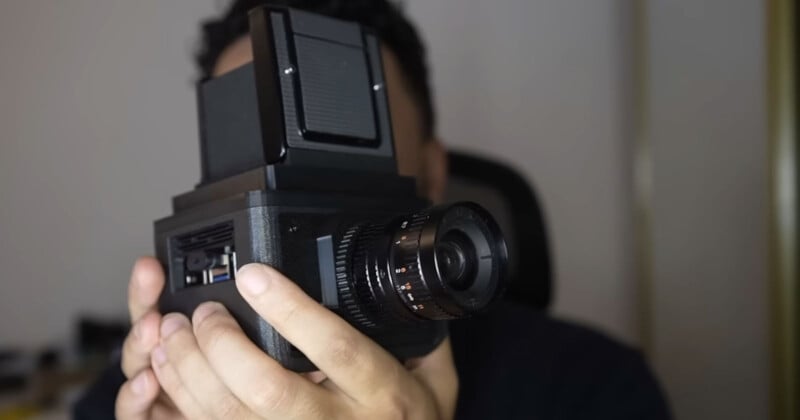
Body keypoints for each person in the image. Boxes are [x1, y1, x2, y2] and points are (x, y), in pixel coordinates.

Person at [74, 1, 671, 418]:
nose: (318, 193)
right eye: (265, 179)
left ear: (435, 172)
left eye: (360, 172)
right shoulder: (145, 394)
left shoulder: (588, 385)